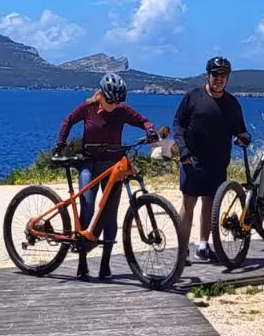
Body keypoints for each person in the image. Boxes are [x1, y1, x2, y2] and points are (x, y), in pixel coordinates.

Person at [54, 71, 157, 279]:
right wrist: (61, 145)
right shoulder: (88, 108)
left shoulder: (122, 110)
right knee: (88, 205)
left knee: (110, 214)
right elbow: (68, 121)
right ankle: (82, 261)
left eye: (118, 101)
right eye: (111, 100)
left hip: (112, 165)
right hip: (88, 163)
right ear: (101, 94)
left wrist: (150, 131)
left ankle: (105, 265)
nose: (114, 104)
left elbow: (144, 121)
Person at [175, 56, 250, 262]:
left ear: (228, 78)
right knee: (188, 203)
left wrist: (243, 137)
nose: (219, 79)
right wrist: (183, 152)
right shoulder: (193, 97)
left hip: (217, 162)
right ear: (208, 75)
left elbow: (239, 129)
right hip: (192, 160)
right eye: (215, 75)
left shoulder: (231, 103)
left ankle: (202, 246)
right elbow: (178, 125)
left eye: (223, 75)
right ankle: (182, 250)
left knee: (210, 203)